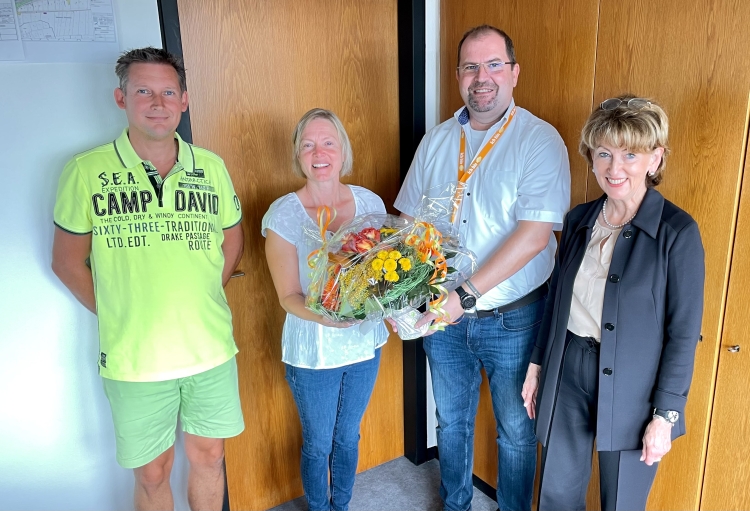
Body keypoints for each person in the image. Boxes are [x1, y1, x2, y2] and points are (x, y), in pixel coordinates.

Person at [51, 47, 245, 511]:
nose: (157, 103)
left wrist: (201, 294)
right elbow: (66, 262)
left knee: (210, 456)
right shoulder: (85, 171)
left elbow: (232, 240)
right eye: (144, 91)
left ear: (184, 100)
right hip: (135, 358)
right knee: (153, 472)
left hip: (210, 350)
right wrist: (121, 310)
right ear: (121, 98)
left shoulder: (211, 167)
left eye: (167, 92)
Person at [394, 25, 570, 511]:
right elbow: (409, 222)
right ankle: (456, 504)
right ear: (457, 77)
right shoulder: (436, 141)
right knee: (451, 421)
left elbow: (535, 236)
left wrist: (463, 296)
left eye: (494, 64)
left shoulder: (539, 140)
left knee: (516, 430)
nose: (482, 77)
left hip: (513, 317)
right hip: (440, 316)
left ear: (514, 72)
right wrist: (393, 288)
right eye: (471, 66)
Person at [522, 95, 705, 510]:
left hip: (636, 387)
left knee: (621, 502)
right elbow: (556, 300)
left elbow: (682, 333)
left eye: (630, 154)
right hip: (568, 367)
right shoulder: (579, 219)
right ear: (591, 157)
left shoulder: (678, 233)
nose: (614, 167)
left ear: (655, 160)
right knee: (556, 492)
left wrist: (665, 415)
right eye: (603, 153)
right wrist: (537, 365)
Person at [262, 108, 388, 511]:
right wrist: (332, 319)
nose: (320, 152)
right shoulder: (284, 214)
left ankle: (342, 505)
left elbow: (385, 273)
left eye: (328, 142)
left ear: (342, 150)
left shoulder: (370, 202)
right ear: (298, 155)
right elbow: (288, 296)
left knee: (348, 435)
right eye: (308, 145)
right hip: (313, 349)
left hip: (364, 345)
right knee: (318, 441)